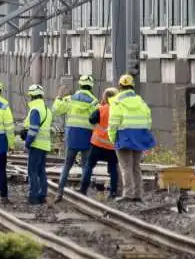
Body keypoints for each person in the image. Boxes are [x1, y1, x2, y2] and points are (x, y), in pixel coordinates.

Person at [108, 73, 156, 202]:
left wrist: (112, 138)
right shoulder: (140, 101)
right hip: (139, 136)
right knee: (136, 166)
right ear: (132, 87)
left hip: (124, 136)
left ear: (119, 87)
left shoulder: (117, 101)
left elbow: (113, 123)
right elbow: (148, 119)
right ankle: (138, 194)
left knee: (125, 167)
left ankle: (127, 194)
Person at [52, 74, 98, 201]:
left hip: (72, 136)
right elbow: (97, 119)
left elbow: (56, 110)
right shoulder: (94, 102)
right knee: (85, 166)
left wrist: (59, 96)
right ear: (91, 87)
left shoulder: (70, 99)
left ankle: (59, 193)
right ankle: (84, 193)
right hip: (87, 137)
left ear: (80, 85)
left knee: (67, 165)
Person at [79, 87, 120, 199]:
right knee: (113, 170)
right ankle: (113, 193)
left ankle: (83, 189)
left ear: (105, 97)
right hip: (112, 147)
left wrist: (101, 107)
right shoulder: (119, 110)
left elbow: (91, 119)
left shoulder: (101, 109)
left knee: (89, 166)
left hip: (97, 145)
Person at [22, 84, 52, 205]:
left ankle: (33, 196)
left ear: (31, 96)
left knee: (32, 171)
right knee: (41, 171)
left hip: (36, 144)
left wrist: (27, 143)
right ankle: (42, 195)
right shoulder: (46, 109)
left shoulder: (35, 110)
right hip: (44, 145)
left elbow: (33, 129)